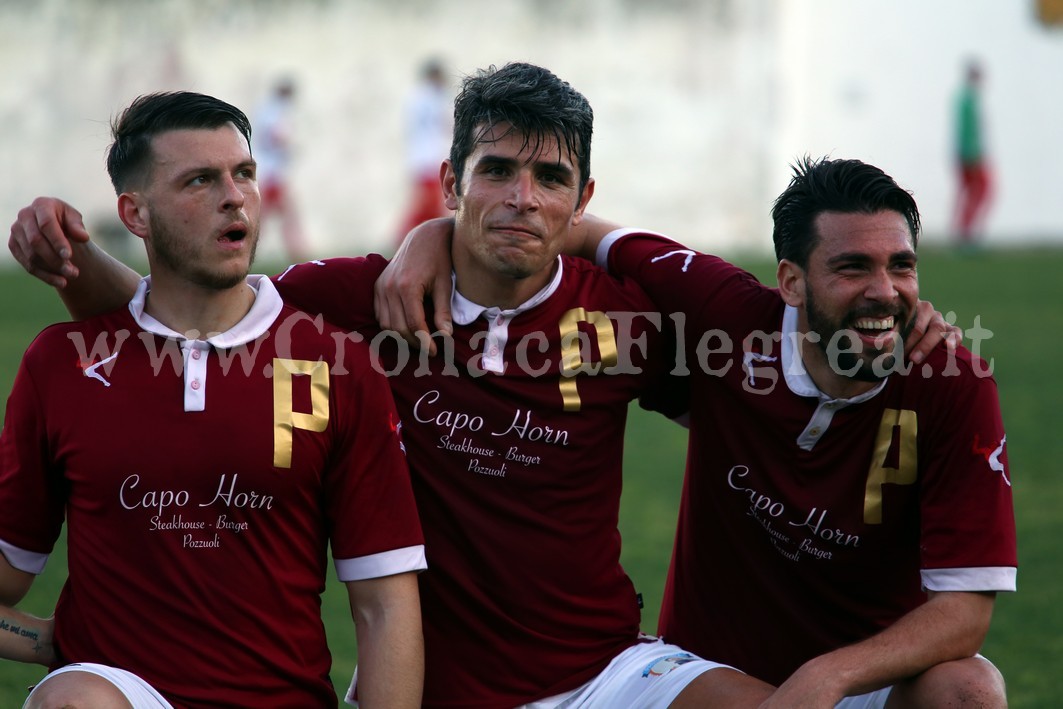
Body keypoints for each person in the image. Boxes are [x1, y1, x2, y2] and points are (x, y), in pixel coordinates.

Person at [7, 66, 956, 709]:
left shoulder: (628, 319)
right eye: (495, 169)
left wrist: (905, 333)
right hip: (439, 689)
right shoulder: (356, 301)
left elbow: (780, 388)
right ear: (451, 182)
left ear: (581, 199)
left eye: (550, 177)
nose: (521, 196)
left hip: (605, 672)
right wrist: (72, 258)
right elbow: (172, 318)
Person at [375, 157, 1015, 706]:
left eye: (900, 267)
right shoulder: (723, 319)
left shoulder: (953, 381)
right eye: (853, 268)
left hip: (861, 679)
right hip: (712, 676)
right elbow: (568, 228)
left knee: (968, 690)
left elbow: (965, 613)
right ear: (790, 281)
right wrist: (431, 235)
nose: (885, 292)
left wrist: (829, 676)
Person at [0, 91, 426, 708]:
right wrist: (53, 641)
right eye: (201, 180)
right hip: (122, 695)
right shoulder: (61, 363)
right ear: (135, 214)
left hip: (284, 699)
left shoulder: (338, 364)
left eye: (244, 173)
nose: (235, 196)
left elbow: (384, 603)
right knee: (73, 699)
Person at [394, 57, 453, 250]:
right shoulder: (433, 98)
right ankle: (405, 238)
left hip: (420, 157)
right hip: (430, 156)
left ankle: (418, 240)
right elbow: (444, 124)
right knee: (428, 204)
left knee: (430, 203)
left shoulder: (415, 97)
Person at [253, 77, 308, 261]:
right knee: (279, 216)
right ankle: (297, 252)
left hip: (268, 173)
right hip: (272, 174)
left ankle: (296, 252)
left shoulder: (266, 109)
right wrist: (291, 147)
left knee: (269, 217)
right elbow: (279, 136)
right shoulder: (276, 111)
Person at [953, 59, 992, 246]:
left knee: (971, 192)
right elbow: (967, 131)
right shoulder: (967, 99)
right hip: (970, 156)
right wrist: (971, 155)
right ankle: (966, 234)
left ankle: (966, 233)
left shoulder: (969, 98)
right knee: (979, 191)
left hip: (968, 154)